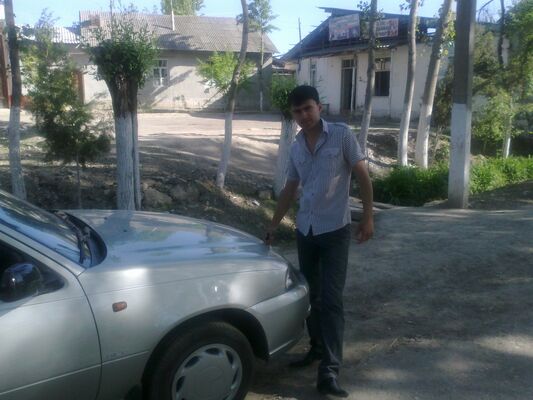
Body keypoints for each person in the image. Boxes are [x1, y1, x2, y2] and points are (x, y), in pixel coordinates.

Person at [265, 85, 374, 397]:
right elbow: (290, 188)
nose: (304, 115)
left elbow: (363, 176)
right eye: (297, 111)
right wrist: (274, 223)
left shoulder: (341, 135)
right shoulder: (296, 146)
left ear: (319, 107)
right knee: (310, 295)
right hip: (306, 231)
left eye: (308, 108)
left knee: (332, 300)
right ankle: (315, 348)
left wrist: (368, 217)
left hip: (335, 231)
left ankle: (329, 370)